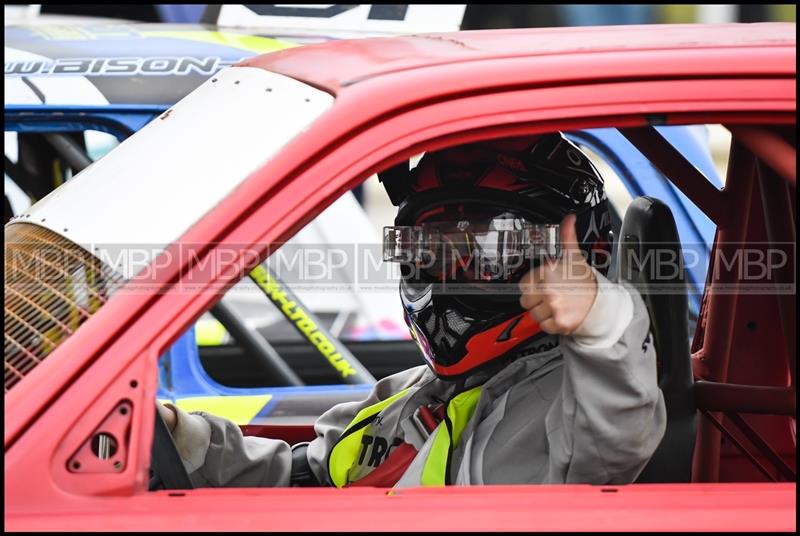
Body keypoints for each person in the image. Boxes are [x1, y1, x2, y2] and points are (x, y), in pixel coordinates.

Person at [159, 132, 666, 487]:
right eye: (429, 249)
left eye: (491, 250)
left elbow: (620, 429)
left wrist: (602, 317)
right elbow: (305, 478)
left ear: (577, 254)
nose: (452, 270)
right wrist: (188, 441)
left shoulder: (569, 409)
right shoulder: (408, 394)